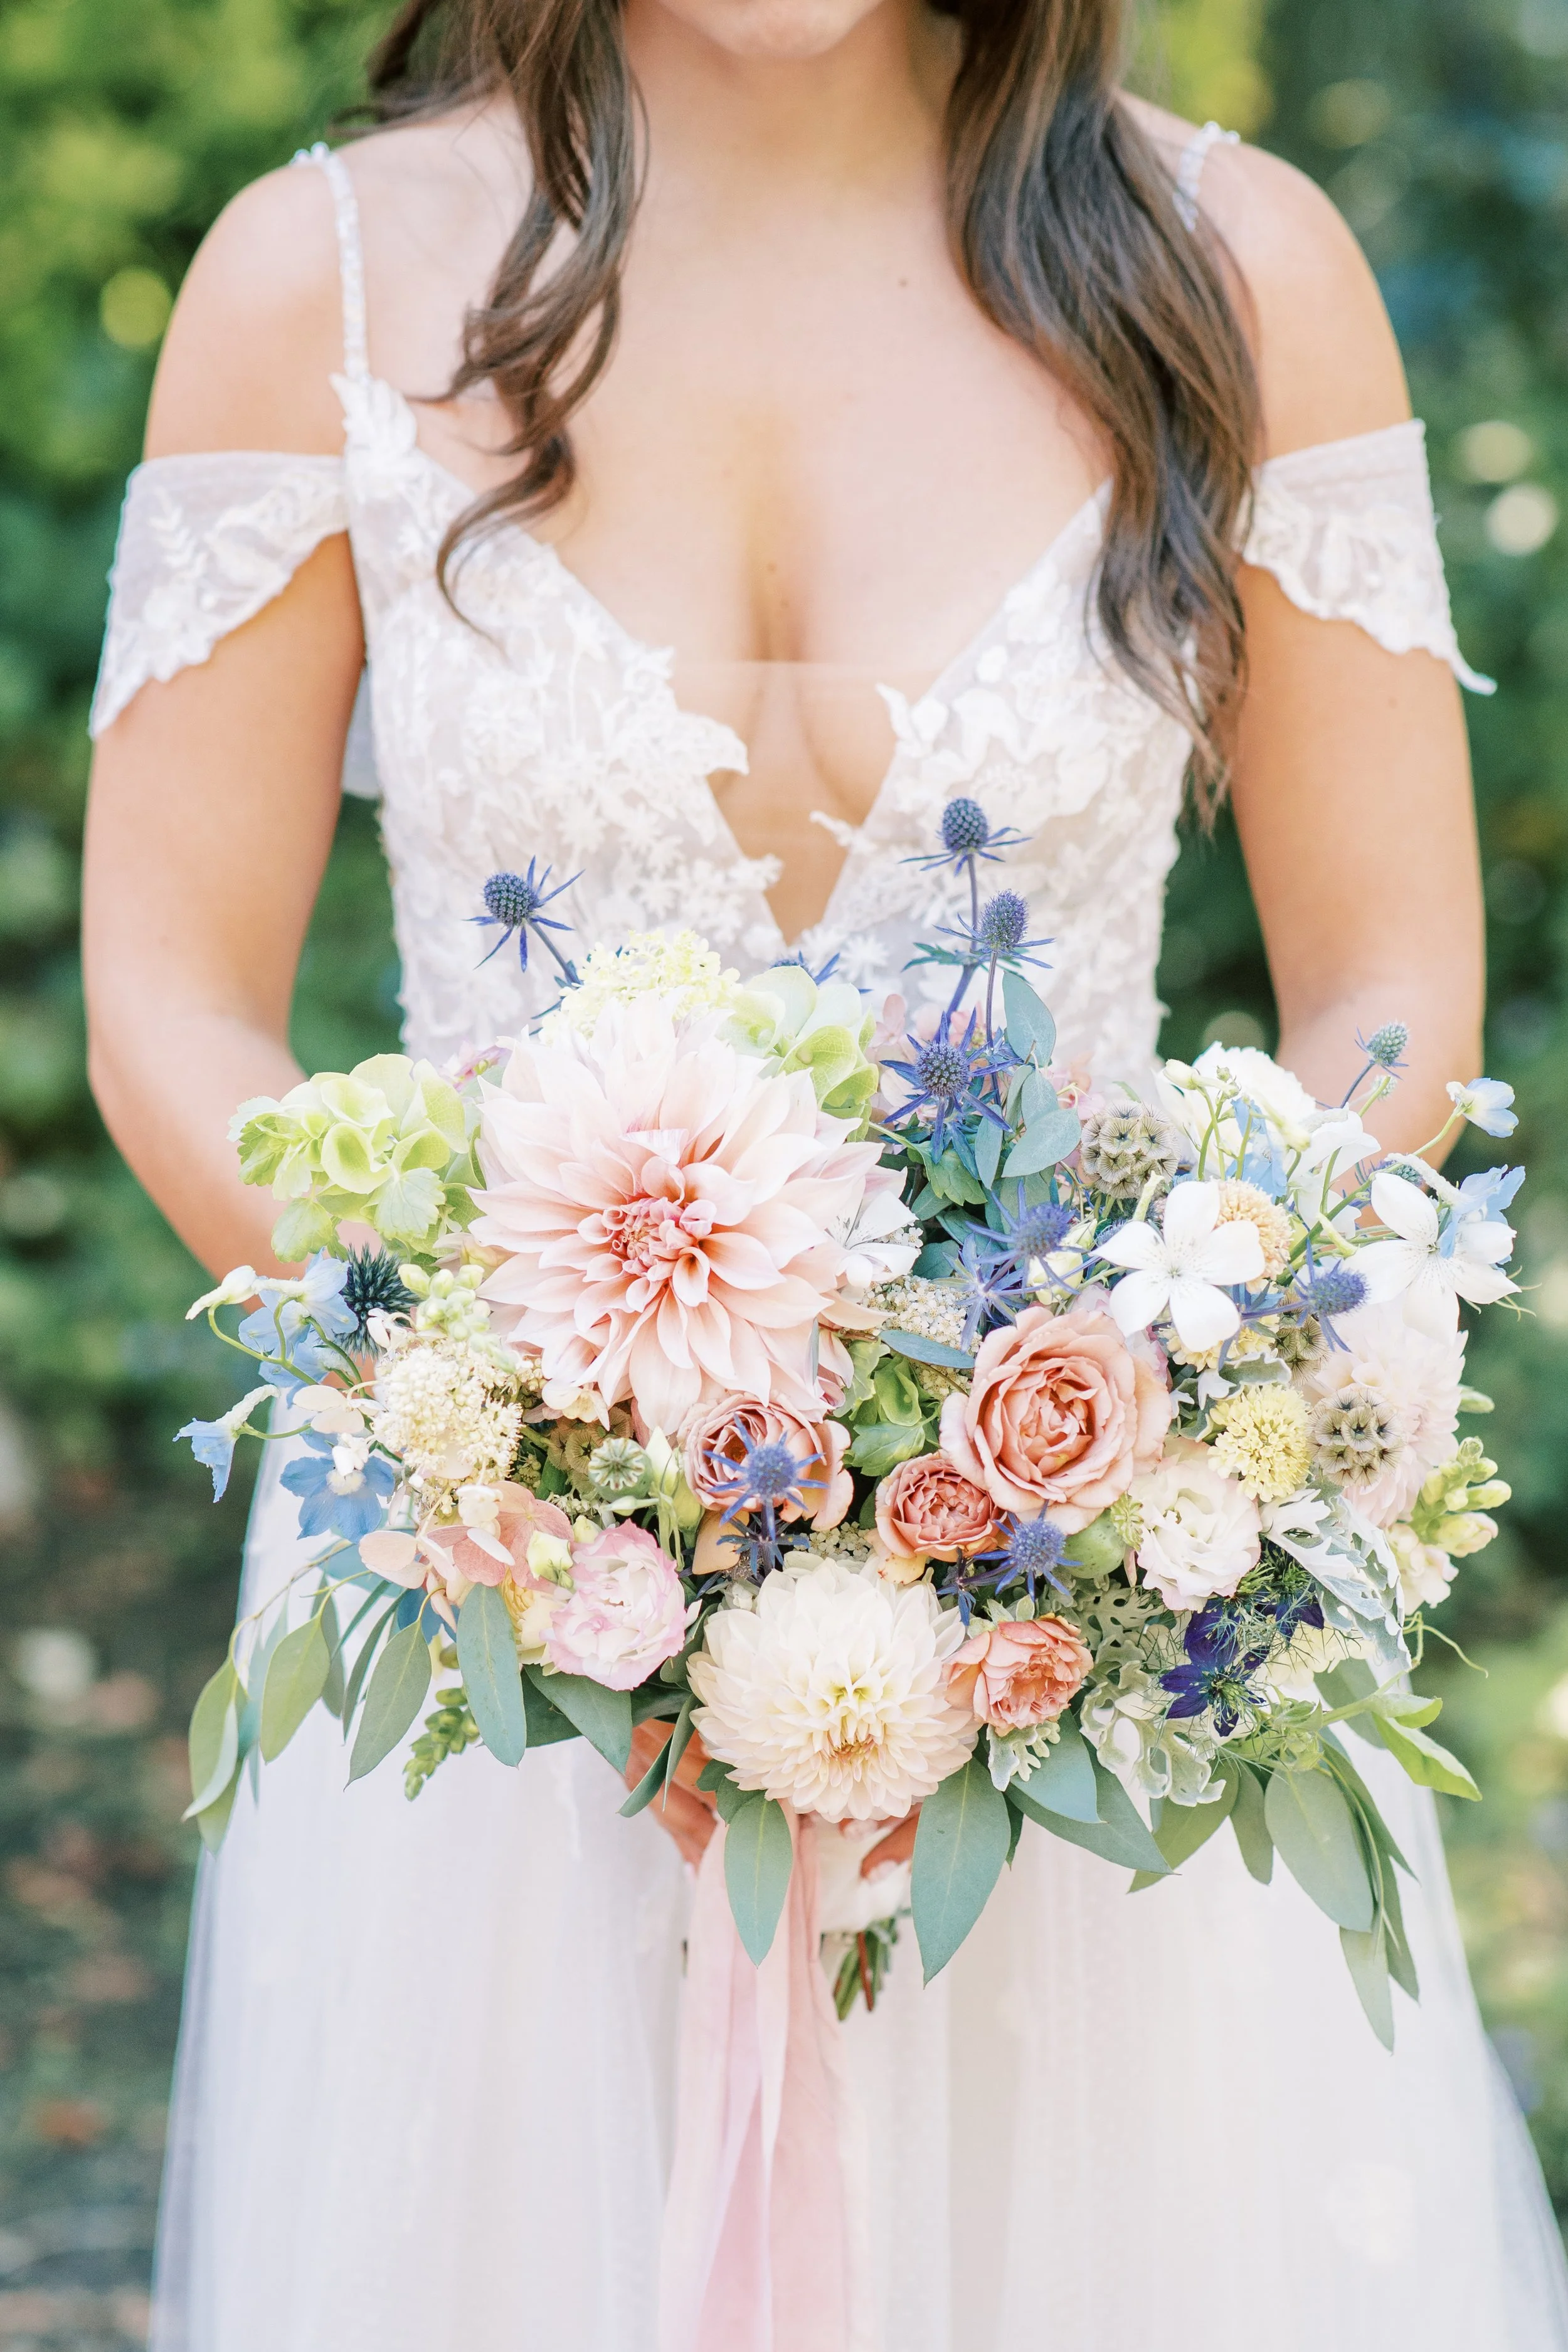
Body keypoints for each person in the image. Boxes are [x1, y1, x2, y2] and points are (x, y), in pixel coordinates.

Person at [80, 0, 1568, 2344]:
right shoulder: (324, 284)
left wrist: (1114, 1436)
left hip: (1090, 1645)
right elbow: (170, 998)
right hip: (491, 1645)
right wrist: (530, 1481)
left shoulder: (1232, 266)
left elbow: (1381, 984)